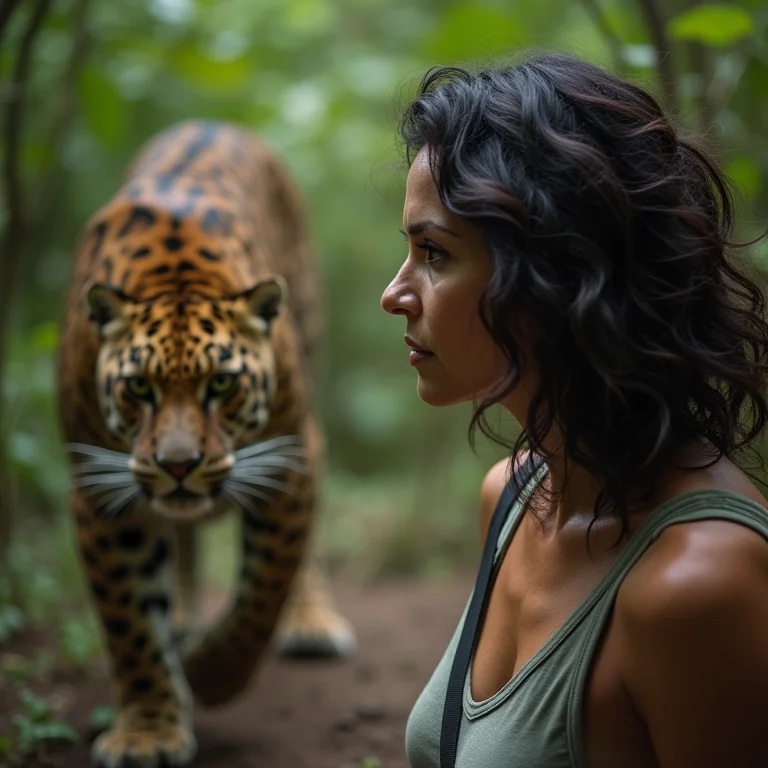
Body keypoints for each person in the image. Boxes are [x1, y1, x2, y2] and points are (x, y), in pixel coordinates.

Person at [381, 52, 768, 768]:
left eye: (433, 253)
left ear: (552, 272)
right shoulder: (513, 496)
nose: (394, 293)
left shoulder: (701, 585)